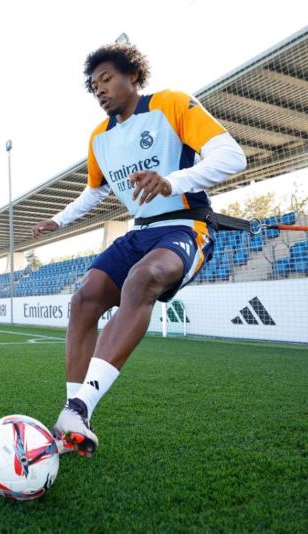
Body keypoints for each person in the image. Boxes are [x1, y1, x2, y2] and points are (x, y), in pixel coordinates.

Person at [31, 42, 246, 457]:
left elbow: (231, 156)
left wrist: (173, 181)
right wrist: (59, 220)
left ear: (133, 75)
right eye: (94, 86)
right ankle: (72, 418)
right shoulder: (99, 138)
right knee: (85, 298)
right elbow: (94, 192)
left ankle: (80, 406)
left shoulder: (172, 104)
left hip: (186, 226)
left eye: (106, 79)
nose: (100, 90)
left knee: (143, 279)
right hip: (139, 232)